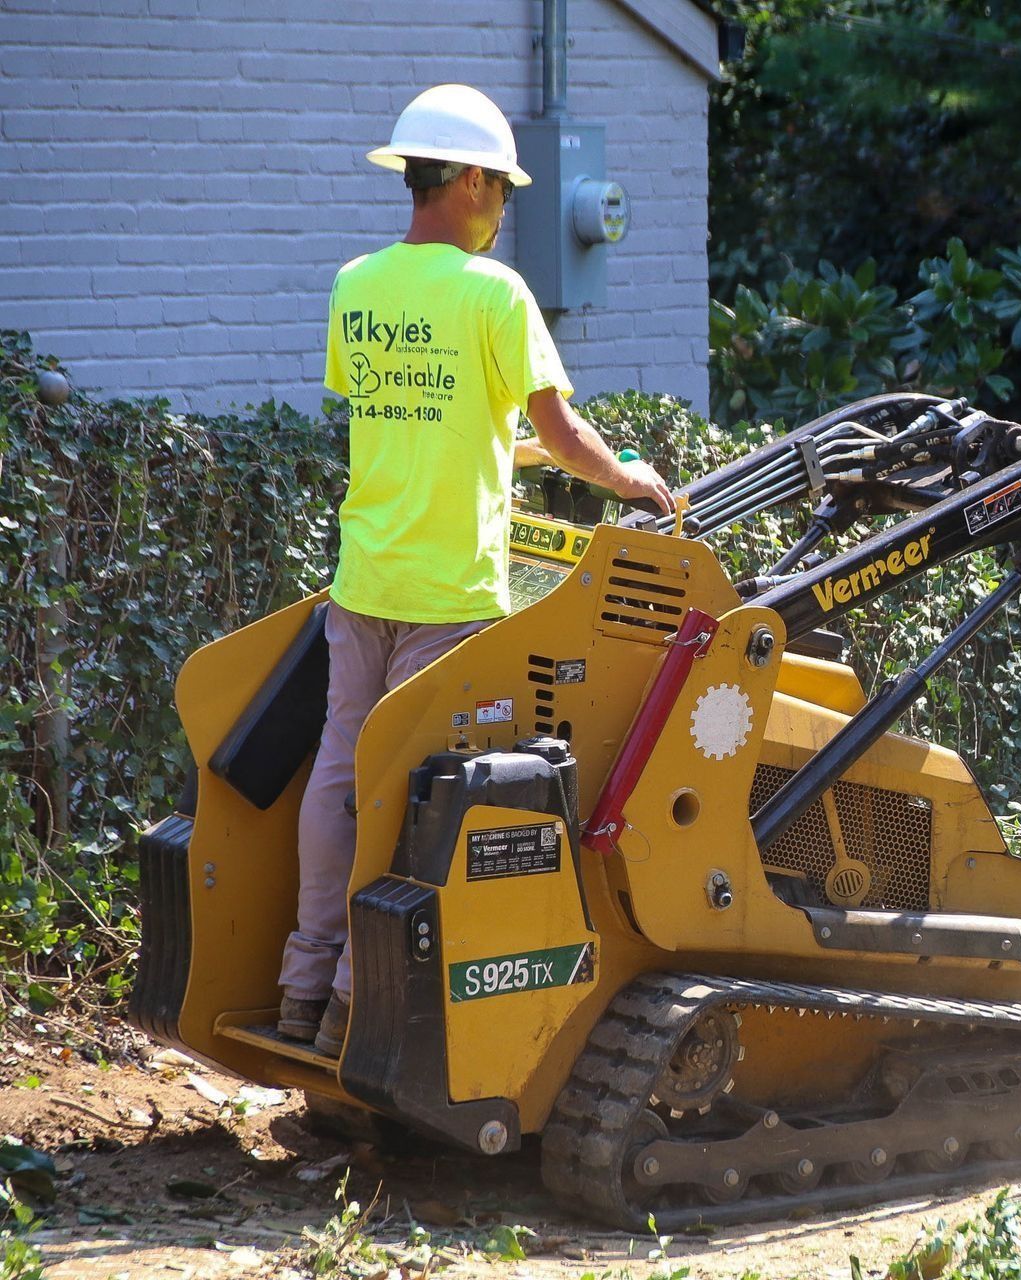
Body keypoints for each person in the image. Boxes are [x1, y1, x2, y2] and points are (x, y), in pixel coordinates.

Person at [277, 84, 672, 1056]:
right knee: (411, 799)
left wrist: (522, 454)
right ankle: (350, 1006)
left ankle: (299, 983)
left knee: (338, 780)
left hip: (362, 579)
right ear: (461, 181)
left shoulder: (355, 284)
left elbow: (423, 417)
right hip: (449, 595)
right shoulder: (494, 294)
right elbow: (559, 430)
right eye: (499, 187)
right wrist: (629, 479)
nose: (503, 207)